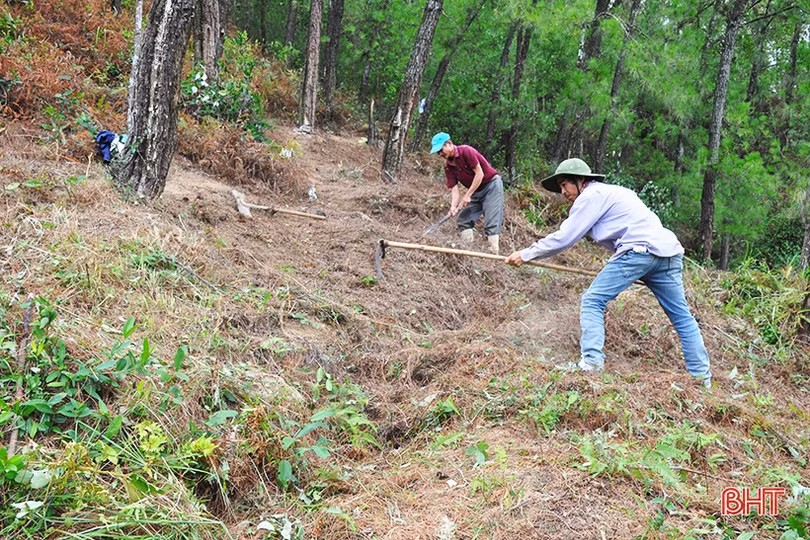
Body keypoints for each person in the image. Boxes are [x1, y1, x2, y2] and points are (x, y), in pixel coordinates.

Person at [504, 158, 711, 387]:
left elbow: (565, 238)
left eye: (565, 184)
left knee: (592, 300)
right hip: (668, 254)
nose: (563, 192)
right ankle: (702, 379)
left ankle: (591, 363)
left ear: (580, 180)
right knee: (682, 318)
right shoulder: (614, 192)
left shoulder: (590, 196)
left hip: (639, 251)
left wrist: (526, 254)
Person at [430, 132, 504, 254]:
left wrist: (468, 195)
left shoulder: (466, 151)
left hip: (491, 186)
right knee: (464, 220)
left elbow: (479, 174)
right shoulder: (448, 167)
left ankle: (493, 252)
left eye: (441, 150)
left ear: (449, 144)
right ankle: (469, 251)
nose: (440, 154)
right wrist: (453, 207)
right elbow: (454, 190)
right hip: (476, 190)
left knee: (491, 221)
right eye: (438, 152)